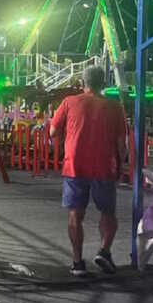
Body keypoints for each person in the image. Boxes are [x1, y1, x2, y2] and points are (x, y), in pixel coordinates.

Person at [50, 66, 127, 277]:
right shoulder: (115, 107)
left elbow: (53, 131)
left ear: (82, 83)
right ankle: (104, 251)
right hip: (104, 165)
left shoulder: (69, 102)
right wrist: (120, 165)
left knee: (75, 214)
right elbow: (122, 144)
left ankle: (77, 262)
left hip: (75, 165)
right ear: (103, 83)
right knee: (108, 212)